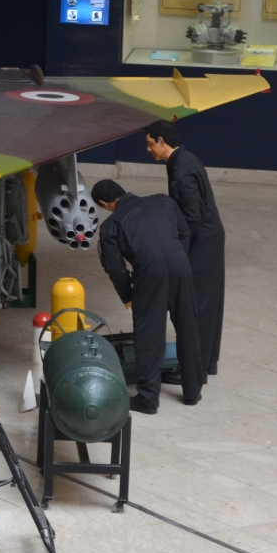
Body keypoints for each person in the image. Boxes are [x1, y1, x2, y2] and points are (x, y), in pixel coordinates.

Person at [92, 178, 203, 414]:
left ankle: (148, 398)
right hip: (180, 266)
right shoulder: (163, 201)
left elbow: (115, 268)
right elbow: (184, 233)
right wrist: (174, 259)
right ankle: (192, 391)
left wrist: (127, 296)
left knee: (149, 335)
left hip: (149, 272)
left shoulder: (111, 226)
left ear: (104, 203)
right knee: (188, 326)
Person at [145, 120, 226, 379]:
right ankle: (205, 364)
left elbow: (191, 218)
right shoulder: (186, 159)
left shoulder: (180, 171)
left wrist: (177, 252)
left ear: (161, 141)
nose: (148, 149)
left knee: (196, 305)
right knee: (208, 302)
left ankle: (193, 370)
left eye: (150, 144)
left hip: (203, 241)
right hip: (211, 237)